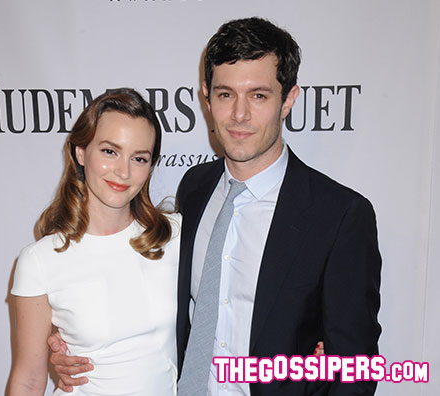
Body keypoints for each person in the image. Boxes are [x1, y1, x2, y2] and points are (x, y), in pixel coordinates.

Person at [50, 17, 381, 396]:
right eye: (225, 95)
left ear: (288, 99)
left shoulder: (340, 216)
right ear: (206, 97)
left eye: (258, 95)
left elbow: (356, 369)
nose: (239, 115)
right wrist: (76, 345)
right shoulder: (196, 186)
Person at [7, 88, 181, 396]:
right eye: (110, 151)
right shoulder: (40, 260)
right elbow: (28, 380)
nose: (123, 171)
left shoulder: (175, 236)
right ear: (81, 152)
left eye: (139, 158)